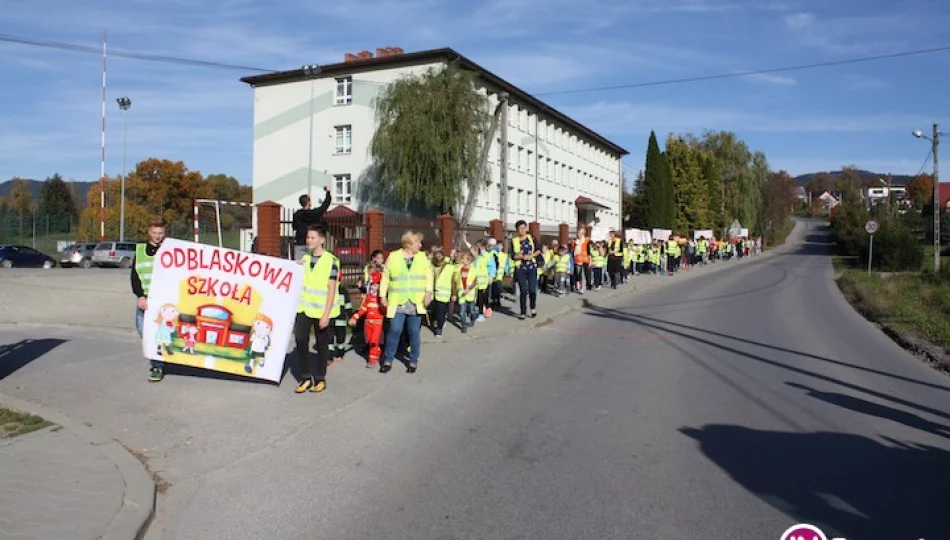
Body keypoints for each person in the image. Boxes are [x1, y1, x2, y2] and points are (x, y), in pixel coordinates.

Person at [293, 225, 339, 394]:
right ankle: (305, 377)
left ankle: (320, 378)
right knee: (300, 340)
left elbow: (332, 289)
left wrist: (326, 315)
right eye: (307, 237)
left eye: (312, 238)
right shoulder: (304, 259)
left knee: (321, 345)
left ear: (322, 240)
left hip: (321, 311)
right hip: (304, 308)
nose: (308, 240)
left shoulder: (332, 261)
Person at [379, 231, 433, 373]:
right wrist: (382, 296)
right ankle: (388, 359)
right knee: (395, 330)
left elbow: (429, 275)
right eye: (417, 242)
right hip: (398, 301)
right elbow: (385, 277)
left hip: (416, 301)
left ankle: (413, 360)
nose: (420, 245)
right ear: (409, 244)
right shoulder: (394, 256)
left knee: (414, 332)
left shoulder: (422, 257)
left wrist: (429, 293)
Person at [132, 217, 167, 383]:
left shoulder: (170, 249)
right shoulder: (139, 250)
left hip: (164, 301)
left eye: (160, 233)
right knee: (143, 331)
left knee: (160, 334)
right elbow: (135, 276)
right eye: (154, 233)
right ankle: (158, 359)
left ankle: (157, 365)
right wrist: (139, 295)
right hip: (145, 300)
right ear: (149, 232)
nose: (157, 236)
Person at [349, 270, 384, 368]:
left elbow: (385, 310)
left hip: (377, 323)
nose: (373, 287)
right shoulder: (368, 297)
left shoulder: (382, 298)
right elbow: (363, 309)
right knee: (369, 341)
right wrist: (354, 318)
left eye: (376, 285)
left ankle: (372, 360)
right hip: (368, 322)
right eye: (372, 285)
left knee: (373, 341)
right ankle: (377, 352)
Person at [510, 220, 541, 320]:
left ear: (526, 228)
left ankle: (533, 307)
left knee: (532, 290)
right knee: (523, 290)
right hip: (520, 268)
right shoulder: (514, 241)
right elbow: (512, 256)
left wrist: (531, 255)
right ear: (517, 230)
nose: (522, 230)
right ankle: (523, 312)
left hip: (531, 267)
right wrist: (521, 257)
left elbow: (539, 250)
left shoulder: (531, 238)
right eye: (519, 229)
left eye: (523, 228)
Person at [292, 187, 332, 261]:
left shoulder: (296, 215)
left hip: (300, 242)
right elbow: (325, 205)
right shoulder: (314, 214)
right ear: (309, 202)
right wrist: (328, 193)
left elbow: (294, 227)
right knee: (313, 264)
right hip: (312, 241)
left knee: (299, 265)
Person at [430, 251, 455, 338]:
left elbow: (453, 282)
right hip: (432, 293)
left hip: (444, 294)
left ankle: (439, 329)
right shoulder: (430, 266)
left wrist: (453, 294)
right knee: (433, 311)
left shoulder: (450, 267)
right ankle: (437, 323)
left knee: (441, 312)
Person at [327, 280, 351, 365]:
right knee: (329, 339)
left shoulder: (343, 292)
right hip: (330, 319)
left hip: (341, 320)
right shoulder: (328, 290)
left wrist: (351, 317)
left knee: (340, 339)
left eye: (338, 281)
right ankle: (329, 357)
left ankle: (340, 354)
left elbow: (348, 305)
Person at [454, 251, 478, 333]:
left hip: (470, 294)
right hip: (461, 294)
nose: (462, 260)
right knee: (461, 312)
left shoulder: (473, 269)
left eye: (463, 258)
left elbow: (475, 281)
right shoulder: (459, 269)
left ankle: (474, 318)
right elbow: (456, 280)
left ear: (469, 261)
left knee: (471, 311)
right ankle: (464, 326)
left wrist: (469, 289)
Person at [487, 238, 508, 310]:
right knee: (493, 288)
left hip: (499, 274)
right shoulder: (493, 253)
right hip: (493, 273)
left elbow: (506, 263)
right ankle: (493, 301)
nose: (499, 247)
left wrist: (507, 270)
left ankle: (497, 300)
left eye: (500, 246)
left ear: (502, 247)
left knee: (497, 288)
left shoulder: (504, 255)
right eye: (497, 245)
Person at [571, 228, 592, 293]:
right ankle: (578, 285)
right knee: (578, 275)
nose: (578, 234)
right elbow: (573, 251)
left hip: (585, 260)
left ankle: (583, 288)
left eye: (580, 233)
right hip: (577, 260)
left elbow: (589, 252)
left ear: (583, 234)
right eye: (578, 233)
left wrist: (590, 261)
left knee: (583, 275)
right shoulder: (575, 242)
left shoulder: (586, 241)